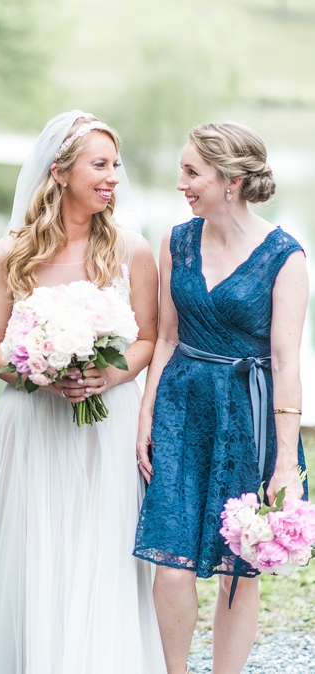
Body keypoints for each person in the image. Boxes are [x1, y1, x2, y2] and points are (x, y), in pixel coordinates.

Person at [0, 111, 165, 673]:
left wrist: (113, 374)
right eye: (99, 165)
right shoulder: (12, 252)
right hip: (35, 421)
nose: (113, 177)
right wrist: (38, 371)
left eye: (115, 165)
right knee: (38, 551)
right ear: (59, 173)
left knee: (102, 551)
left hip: (109, 423)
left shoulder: (132, 249)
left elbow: (149, 337)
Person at [134, 122, 307, 674]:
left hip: (248, 420)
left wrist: (285, 463)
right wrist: (146, 415)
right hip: (181, 414)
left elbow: (285, 363)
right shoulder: (176, 240)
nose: (180, 183)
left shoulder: (286, 257)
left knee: (240, 564)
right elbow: (165, 336)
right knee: (172, 563)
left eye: (192, 172)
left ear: (230, 180)